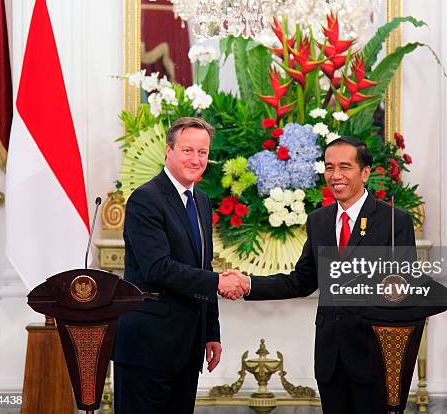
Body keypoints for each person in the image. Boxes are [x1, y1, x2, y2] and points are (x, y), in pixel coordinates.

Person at [220, 136, 416, 414]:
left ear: (365, 172)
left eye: (345, 167)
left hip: (373, 360)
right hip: (330, 357)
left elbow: (403, 295)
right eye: (329, 167)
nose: (335, 176)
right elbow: (302, 280)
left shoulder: (394, 221)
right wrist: (248, 283)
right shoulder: (319, 221)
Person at [112, 117, 245, 413]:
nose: (196, 159)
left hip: (187, 346)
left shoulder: (200, 200)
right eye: (187, 151)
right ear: (168, 151)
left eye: (203, 152)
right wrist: (218, 284)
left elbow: (203, 265)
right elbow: (158, 268)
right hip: (147, 346)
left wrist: (211, 331)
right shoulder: (145, 199)